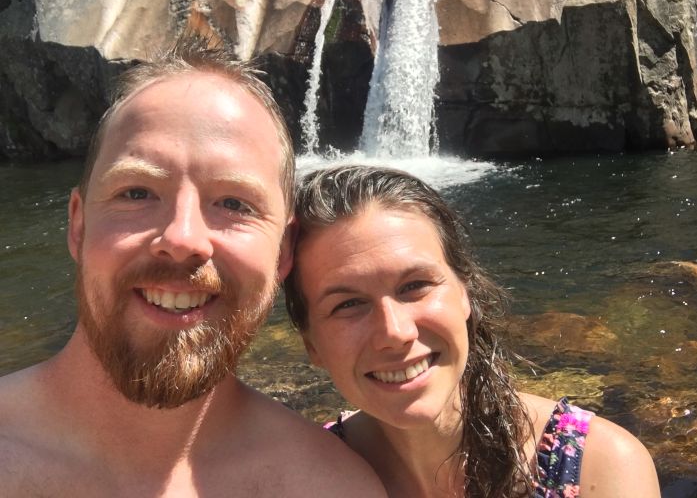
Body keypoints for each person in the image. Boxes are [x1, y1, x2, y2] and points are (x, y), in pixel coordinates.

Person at [0, 42, 386, 497]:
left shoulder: (330, 487)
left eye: (233, 203)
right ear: (79, 226)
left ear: (283, 249)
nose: (182, 239)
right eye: (137, 193)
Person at [285, 165, 660, 498]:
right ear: (311, 344)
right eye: (347, 304)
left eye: (414, 285)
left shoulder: (600, 465)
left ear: (466, 291)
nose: (394, 332)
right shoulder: (303, 479)